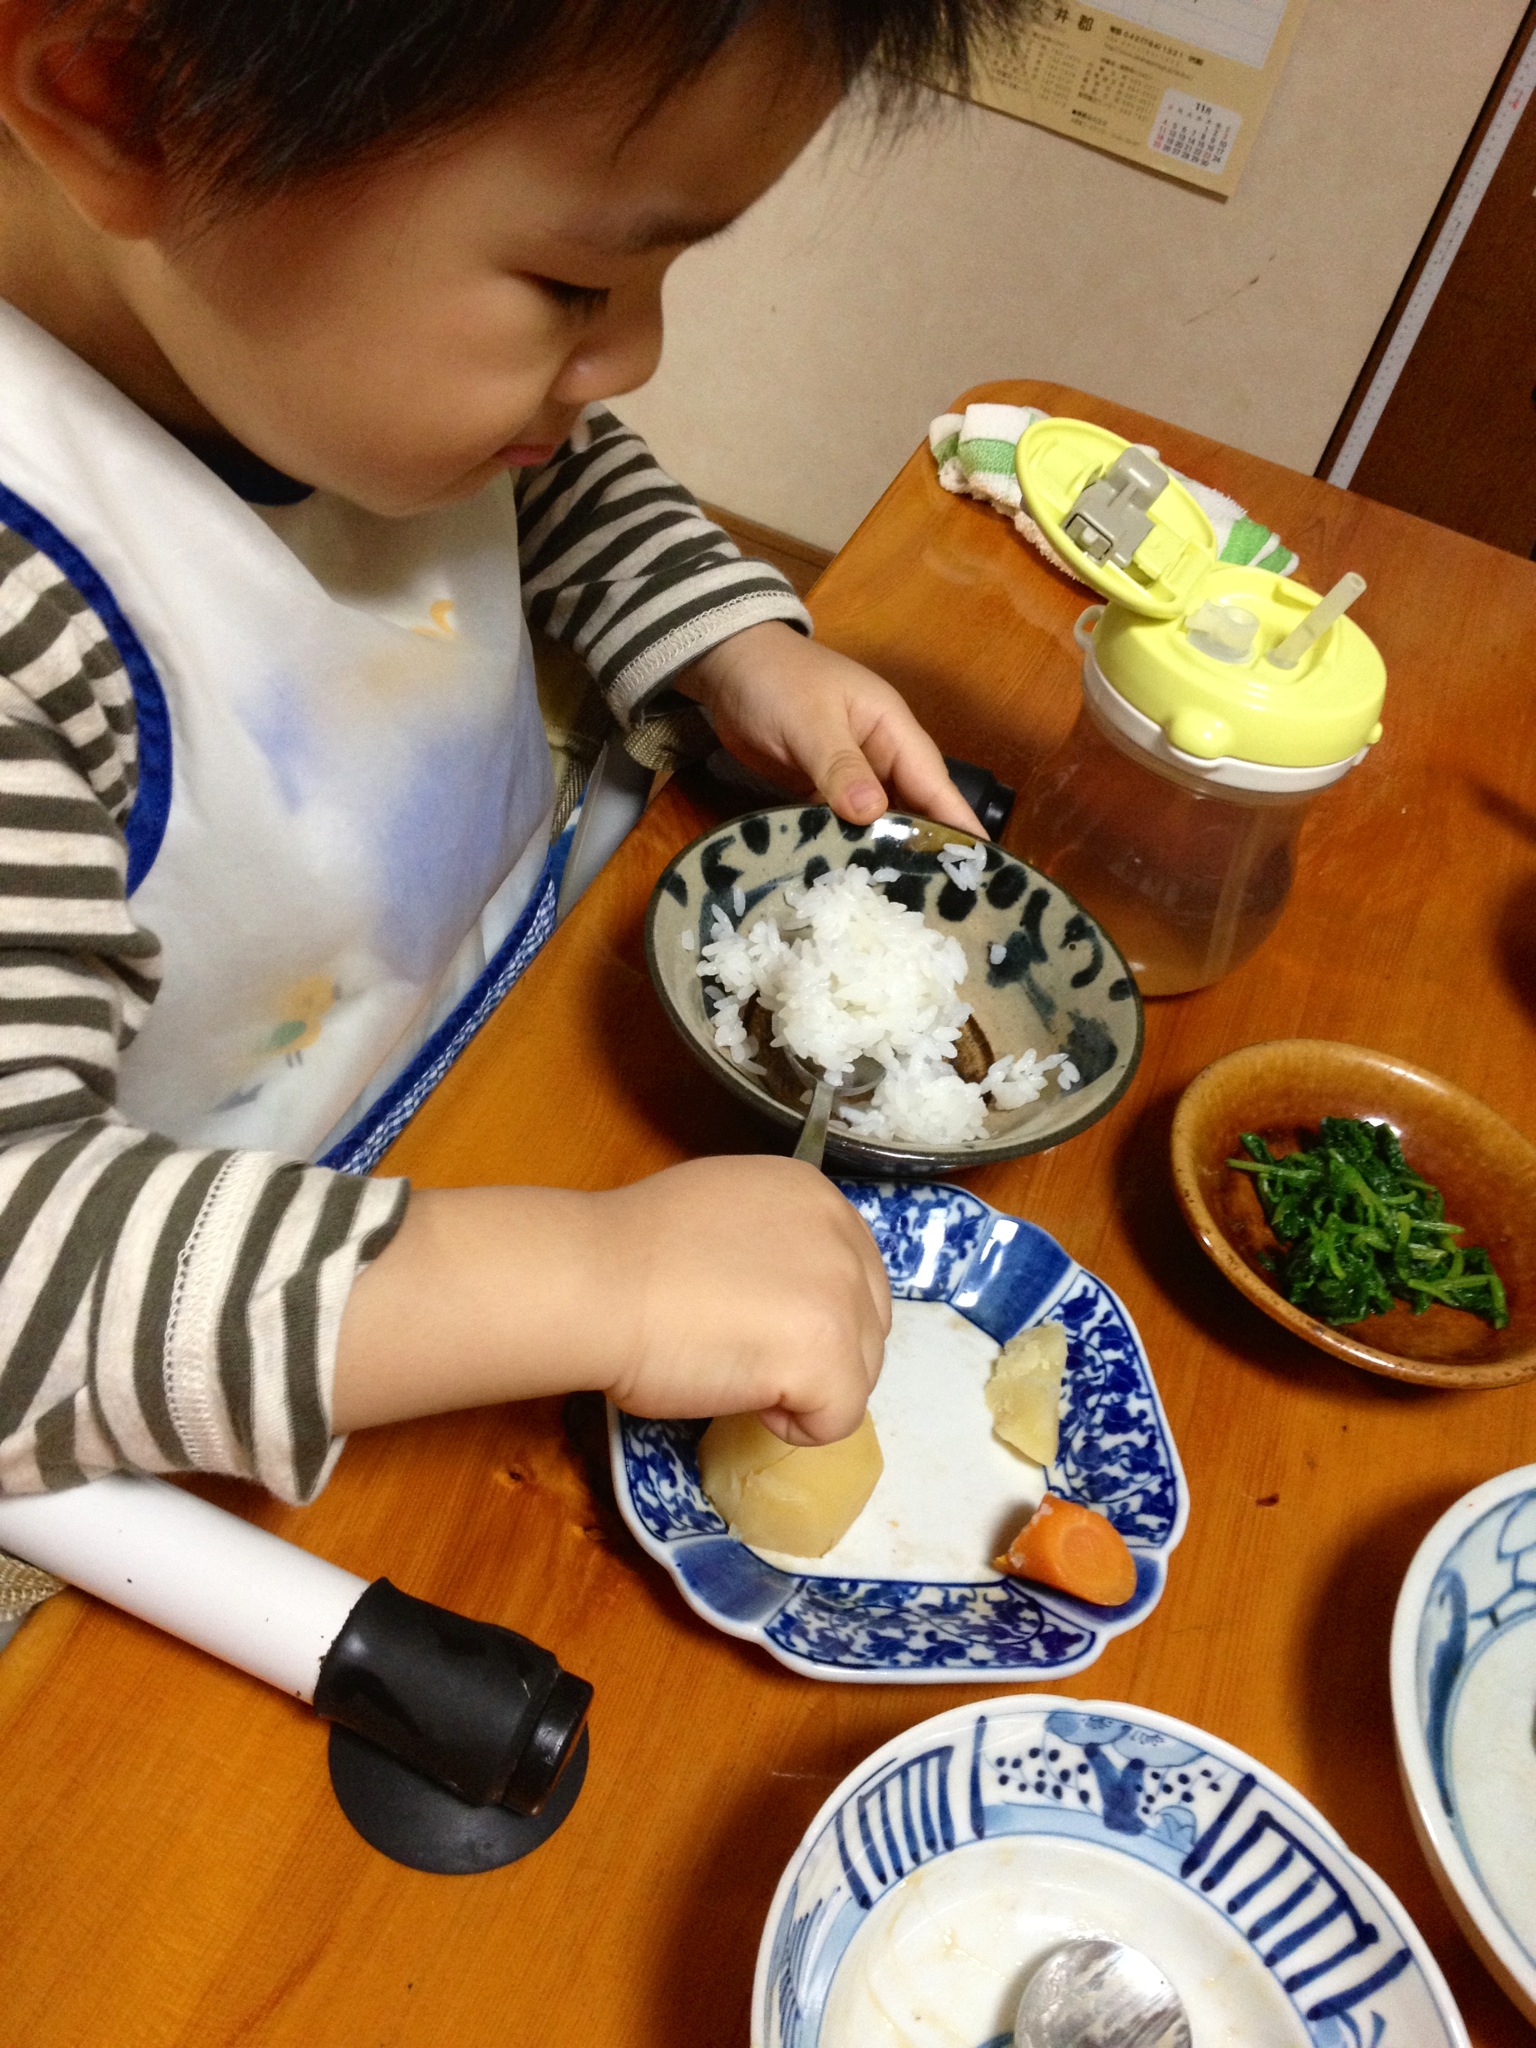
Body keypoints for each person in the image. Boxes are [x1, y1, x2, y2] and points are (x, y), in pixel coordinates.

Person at [0, 0, 1029, 1539]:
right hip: (190, 1410)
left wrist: (731, 641)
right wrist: (598, 1284)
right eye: (574, 283)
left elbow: (547, 477)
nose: (632, 355)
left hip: (472, 1067)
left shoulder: (267, 353)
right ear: (130, 100)